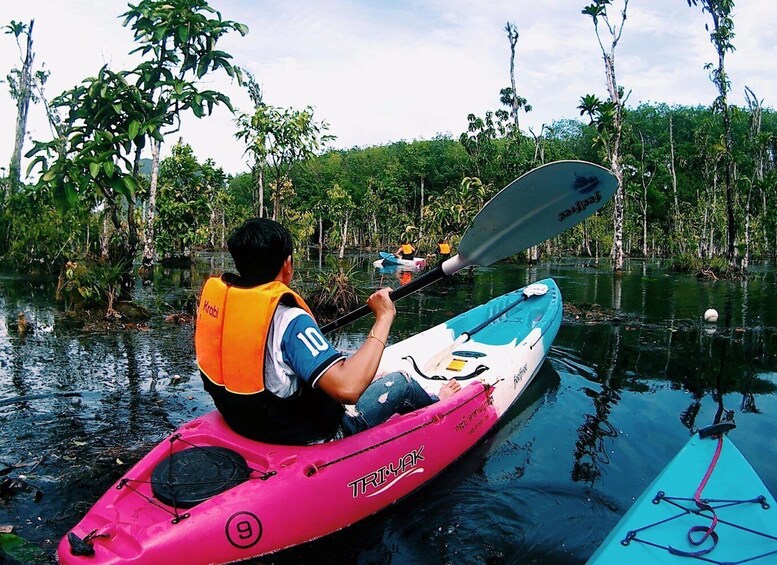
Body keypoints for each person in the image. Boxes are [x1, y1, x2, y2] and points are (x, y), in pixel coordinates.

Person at [195, 218, 460, 445]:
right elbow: (349, 389)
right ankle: (441, 402)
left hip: (246, 421)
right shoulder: (289, 319)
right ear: (287, 264)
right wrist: (384, 315)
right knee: (400, 382)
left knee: (364, 368)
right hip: (301, 434)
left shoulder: (227, 305)